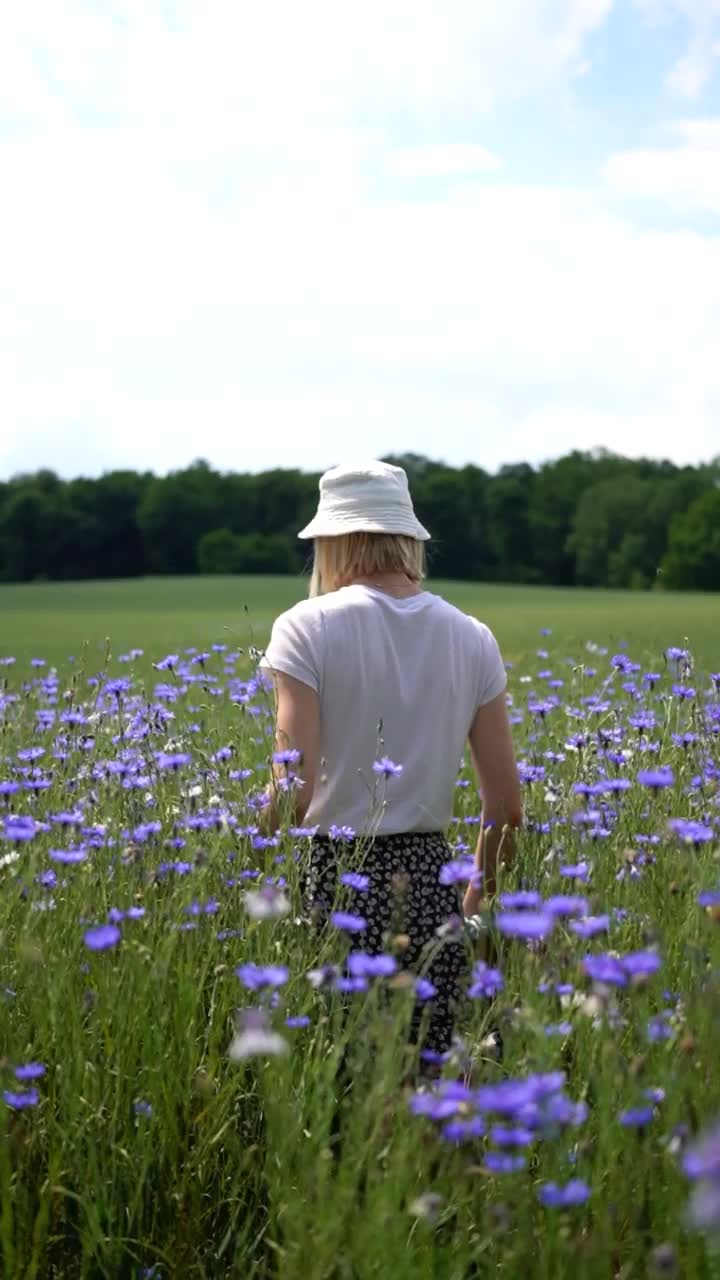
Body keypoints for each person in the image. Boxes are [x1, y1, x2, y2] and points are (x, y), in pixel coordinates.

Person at [259, 459, 522, 1060]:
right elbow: (505, 810)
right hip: (433, 889)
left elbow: (295, 791)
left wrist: (242, 851)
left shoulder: (305, 627)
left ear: (331, 540)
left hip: (334, 885)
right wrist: (474, 904)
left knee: (339, 1088)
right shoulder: (472, 635)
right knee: (425, 1092)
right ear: (407, 537)